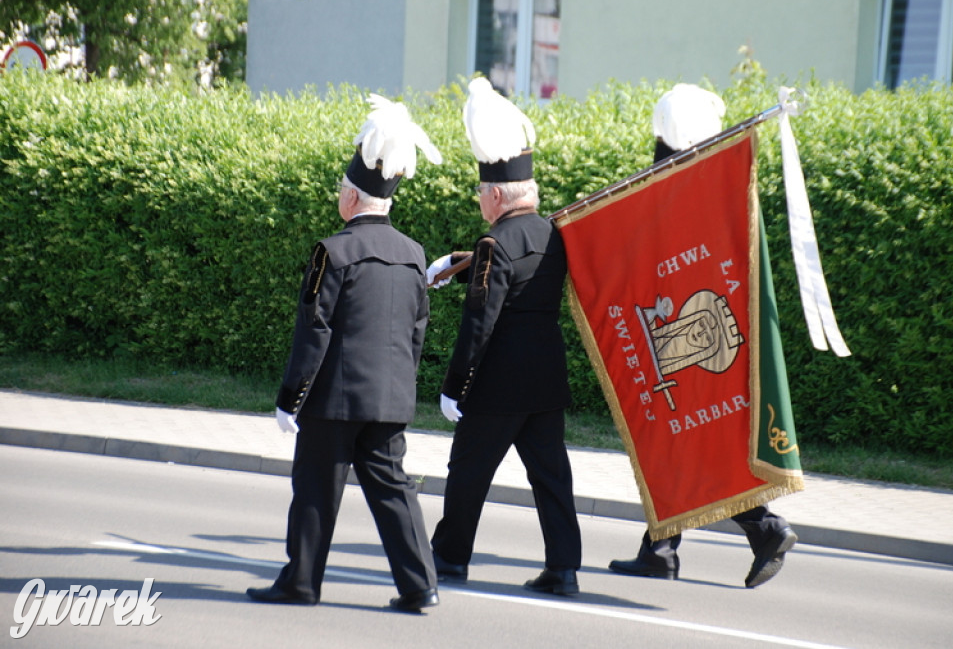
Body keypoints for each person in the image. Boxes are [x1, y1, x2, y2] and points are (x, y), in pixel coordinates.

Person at [246, 95, 443, 612]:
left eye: (342, 188)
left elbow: (314, 332)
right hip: (389, 398)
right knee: (394, 491)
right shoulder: (414, 255)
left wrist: (290, 397)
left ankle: (302, 582)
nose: (340, 194)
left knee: (315, 489)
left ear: (353, 199)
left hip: (333, 402)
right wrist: (401, 384)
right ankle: (421, 584)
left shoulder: (332, 252)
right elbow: (417, 330)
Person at [607, 84, 797, 589]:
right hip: (697, 338)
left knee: (685, 441)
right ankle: (661, 550)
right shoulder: (720, 188)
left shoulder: (670, 189)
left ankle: (765, 528)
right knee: (678, 442)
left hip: (691, 341)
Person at [425, 76, 582, 596]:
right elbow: (520, 266)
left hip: (499, 384)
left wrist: (453, 386)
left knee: (468, 471)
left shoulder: (494, 240)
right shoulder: (554, 233)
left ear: (495, 194)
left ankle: (449, 558)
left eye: (480, 195)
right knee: (552, 478)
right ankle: (563, 568)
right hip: (545, 380)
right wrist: (459, 262)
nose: (479, 203)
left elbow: (480, 322)